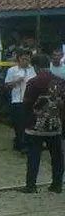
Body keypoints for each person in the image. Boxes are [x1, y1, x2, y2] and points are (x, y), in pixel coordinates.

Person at [22, 54, 65, 194]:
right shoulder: (60, 81)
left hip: (36, 125)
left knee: (34, 155)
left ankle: (31, 185)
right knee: (57, 156)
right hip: (55, 125)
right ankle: (57, 184)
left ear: (36, 66)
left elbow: (27, 104)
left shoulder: (33, 82)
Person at [5, 50, 35, 152]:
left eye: (27, 59)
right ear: (19, 59)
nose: (25, 61)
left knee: (28, 123)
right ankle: (19, 144)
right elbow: (7, 85)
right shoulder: (12, 70)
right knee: (19, 123)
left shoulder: (32, 70)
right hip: (17, 100)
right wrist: (16, 81)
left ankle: (25, 143)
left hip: (30, 101)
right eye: (23, 59)